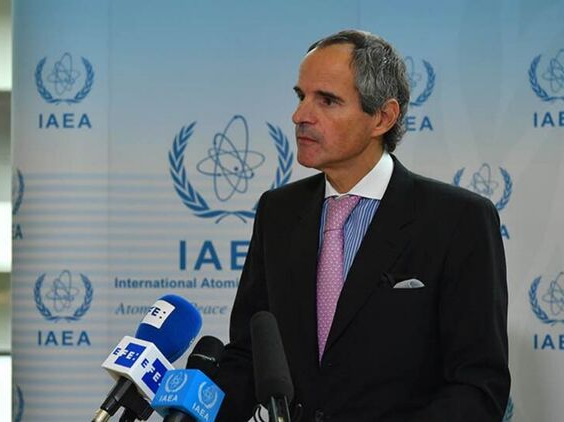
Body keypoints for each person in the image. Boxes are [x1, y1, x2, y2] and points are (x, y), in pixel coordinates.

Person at [215, 29, 510, 422]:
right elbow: (249, 355)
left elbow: (477, 387)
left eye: (327, 100)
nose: (300, 116)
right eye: (301, 96)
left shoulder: (458, 220)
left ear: (383, 117)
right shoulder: (278, 212)